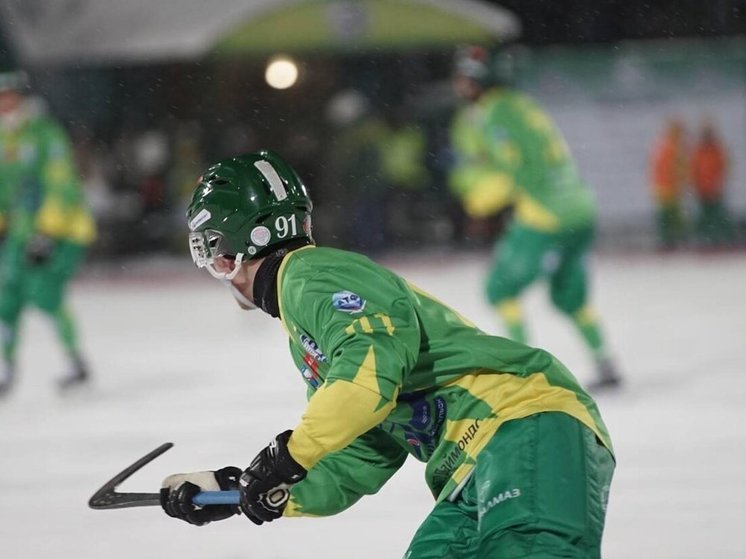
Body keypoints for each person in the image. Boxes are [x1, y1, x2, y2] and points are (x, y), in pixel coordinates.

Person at [159, 150, 615, 558]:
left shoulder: (311, 276)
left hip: (521, 425)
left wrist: (287, 456)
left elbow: (369, 370)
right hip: (470, 468)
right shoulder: (308, 321)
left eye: (214, 252)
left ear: (240, 245)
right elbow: (360, 455)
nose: (218, 271)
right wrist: (245, 489)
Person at [448, 45, 621, 391]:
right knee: (570, 296)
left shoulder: (494, 113)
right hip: (580, 208)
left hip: (546, 213)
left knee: (500, 288)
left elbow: (519, 171)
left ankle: (523, 374)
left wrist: (480, 198)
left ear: (476, 80)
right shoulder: (522, 104)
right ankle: (605, 363)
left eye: (463, 78)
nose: (458, 85)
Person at [0, 70, 96, 396]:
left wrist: (47, 231)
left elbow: (61, 184)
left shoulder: (44, 134)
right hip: (20, 232)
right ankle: (6, 368)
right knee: (6, 297)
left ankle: (75, 361)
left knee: (45, 293)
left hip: (60, 230)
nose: (4, 103)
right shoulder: (4, 138)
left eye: (9, 95)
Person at [690, 117, 733, 247]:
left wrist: (718, 184)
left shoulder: (716, 149)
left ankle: (720, 239)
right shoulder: (699, 150)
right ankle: (704, 240)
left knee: (717, 216)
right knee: (704, 217)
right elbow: (694, 170)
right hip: (703, 189)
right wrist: (696, 186)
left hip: (715, 189)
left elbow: (723, 168)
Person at [649, 117, 689, 250]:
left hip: (664, 187)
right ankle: (672, 241)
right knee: (671, 218)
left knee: (668, 217)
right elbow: (676, 169)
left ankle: (669, 241)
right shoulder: (673, 147)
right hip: (670, 188)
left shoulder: (664, 145)